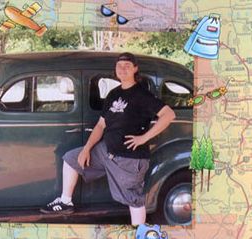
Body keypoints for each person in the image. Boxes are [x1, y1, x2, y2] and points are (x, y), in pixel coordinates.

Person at [40, 52, 176, 225]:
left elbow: (168, 114)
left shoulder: (142, 95)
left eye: (127, 65)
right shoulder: (114, 93)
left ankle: (139, 231)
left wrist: (143, 138)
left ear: (135, 69)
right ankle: (66, 202)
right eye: (120, 66)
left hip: (129, 158)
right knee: (71, 159)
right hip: (106, 151)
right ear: (115, 70)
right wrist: (87, 149)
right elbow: (100, 125)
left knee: (133, 199)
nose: (123, 69)